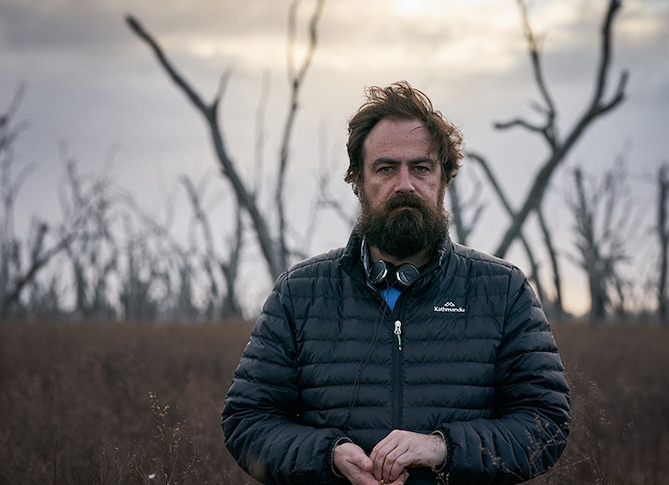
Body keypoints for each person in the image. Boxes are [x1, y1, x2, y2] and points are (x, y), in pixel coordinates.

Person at [221, 81, 570, 485]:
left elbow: (546, 423)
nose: (405, 184)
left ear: (445, 178)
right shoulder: (298, 294)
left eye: (420, 168)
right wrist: (328, 456)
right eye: (386, 168)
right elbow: (247, 421)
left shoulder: (502, 290)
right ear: (357, 180)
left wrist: (443, 449)